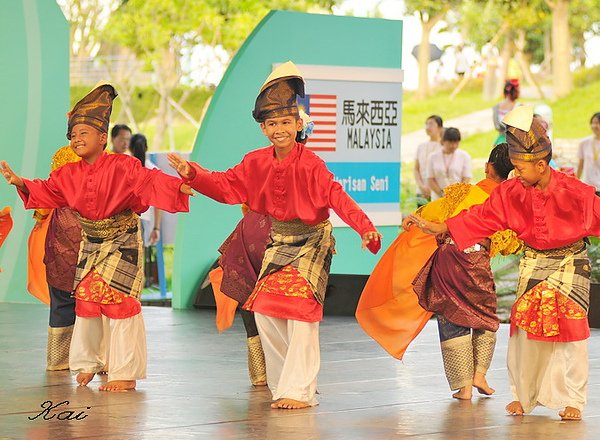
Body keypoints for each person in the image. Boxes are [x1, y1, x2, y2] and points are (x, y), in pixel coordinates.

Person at [168, 61, 381, 409]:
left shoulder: (311, 164)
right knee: (265, 308)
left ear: (298, 125)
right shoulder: (255, 162)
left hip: (311, 241)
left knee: (299, 310)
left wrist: (365, 228)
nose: (279, 129)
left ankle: (300, 390)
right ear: (264, 128)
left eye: (285, 122)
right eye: (272, 124)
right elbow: (225, 186)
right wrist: (193, 172)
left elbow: (336, 196)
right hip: (279, 241)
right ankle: (288, 383)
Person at [408, 105, 599, 421]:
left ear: (540, 164)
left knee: (568, 329)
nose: (515, 174)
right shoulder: (512, 190)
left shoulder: (574, 191)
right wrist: (442, 227)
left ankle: (573, 400)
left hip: (569, 263)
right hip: (534, 262)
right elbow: (482, 217)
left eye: (521, 168)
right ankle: (524, 397)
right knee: (524, 329)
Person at [1, 83, 192, 392]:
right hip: (91, 243)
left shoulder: (124, 165)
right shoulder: (67, 173)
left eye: (83, 134)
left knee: (119, 303)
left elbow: (150, 181)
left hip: (122, 239)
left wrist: (179, 187)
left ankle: (125, 371)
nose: (76, 139)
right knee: (88, 300)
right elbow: (47, 191)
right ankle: (89, 363)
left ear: (102, 138)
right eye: (73, 135)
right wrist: (20, 182)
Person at [412, 143, 521, 400]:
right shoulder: (508, 201)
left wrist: (414, 216)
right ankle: (479, 374)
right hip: (477, 261)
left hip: (450, 257)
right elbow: (509, 242)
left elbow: (435, 212)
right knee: (484, 312)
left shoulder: (465, 192)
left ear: (487, 168)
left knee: (452, 313)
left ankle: (464, 387)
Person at [427, 127, 472, 200]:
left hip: (458, 198)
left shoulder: (464, 156)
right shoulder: (433, 157)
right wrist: (441, 193)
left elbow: (466, 177)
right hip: (438, 198)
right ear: (443, 141)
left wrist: (458, 193)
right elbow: (430, 179)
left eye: (456, 142)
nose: (453, 146)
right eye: (450, 142)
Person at [414, 115, 443, 206]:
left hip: (438, 194)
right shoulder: (421, 146)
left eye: (431, 124)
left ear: (440, 128)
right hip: (421, 191)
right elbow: (416, 168)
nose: (428, 127)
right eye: (426, 124)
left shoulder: (443, 147)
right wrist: (421, 186)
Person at [577, 112, 600, 195]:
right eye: (593, 123)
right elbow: (580, 165)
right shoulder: (584, 143)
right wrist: (576, 182)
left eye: (598, 123)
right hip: (588, 186)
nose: (595, 126)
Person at [492, 79, 520, 144]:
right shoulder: (519, 107)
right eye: (517, 91)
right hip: (513, 141)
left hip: (507, 140)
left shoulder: (497, 107)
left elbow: (497, 126)